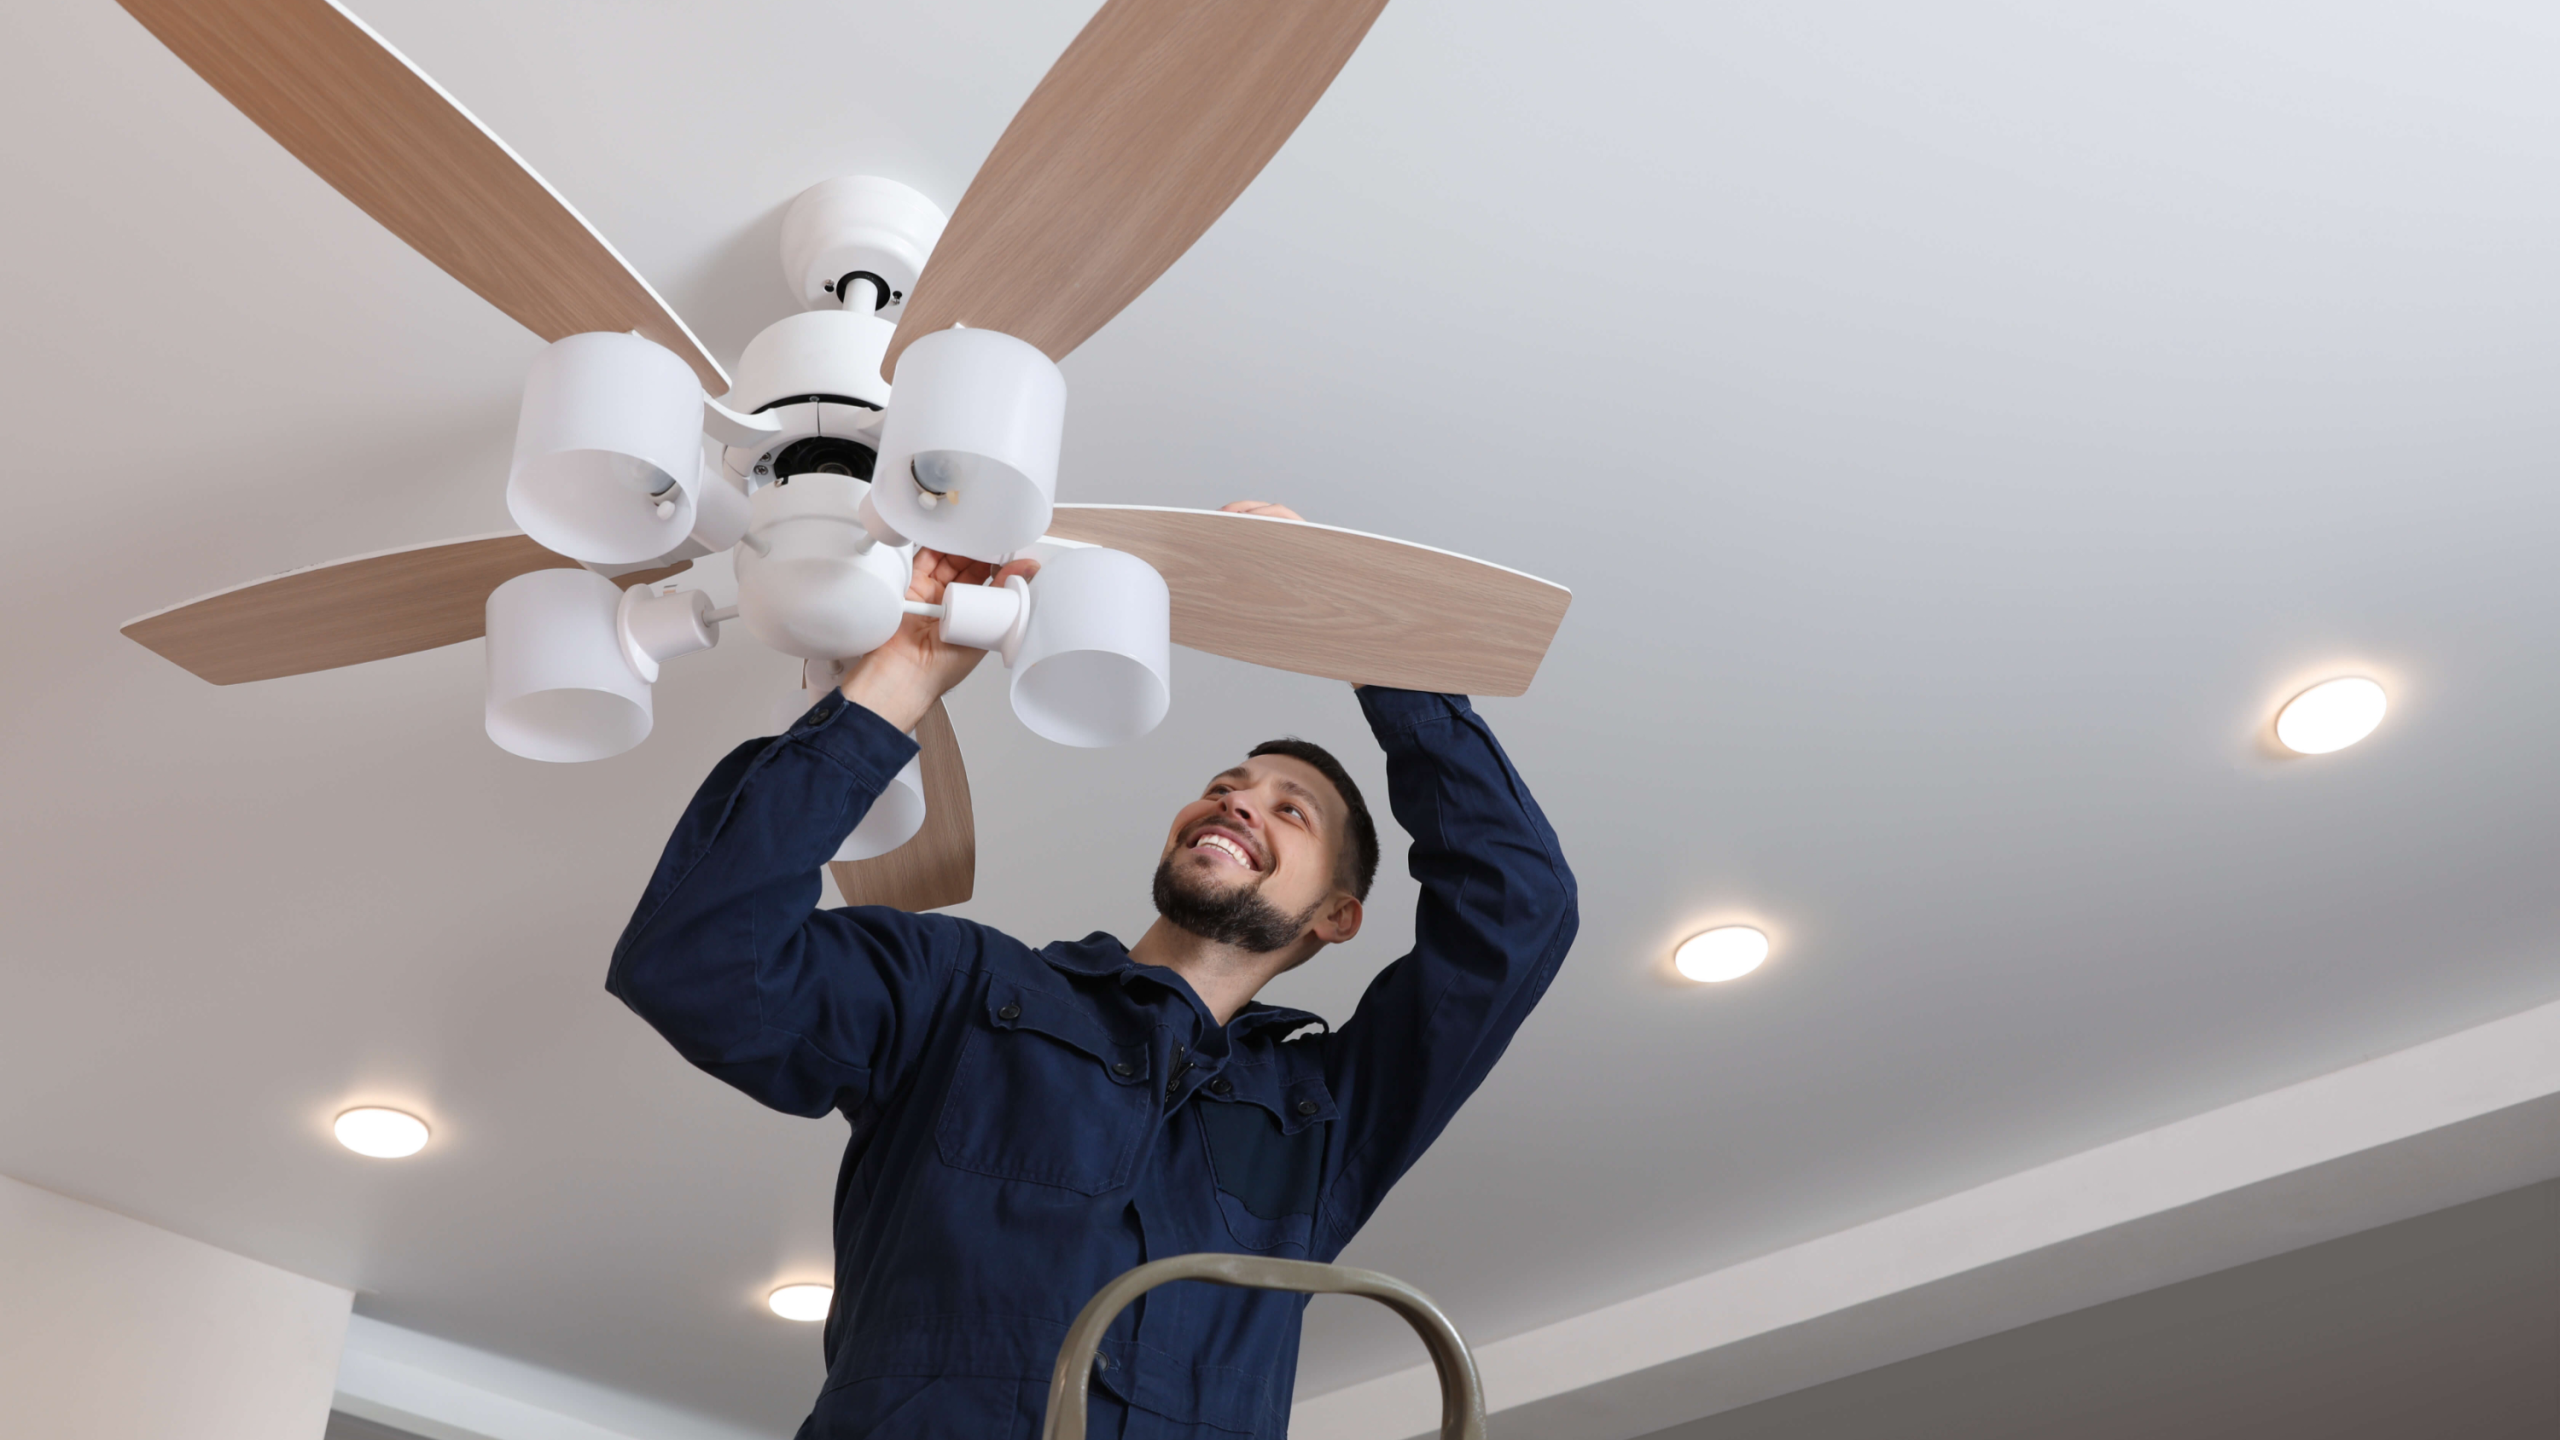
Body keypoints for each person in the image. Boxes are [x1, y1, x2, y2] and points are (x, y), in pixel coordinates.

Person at [609, 501, 1578, 1440]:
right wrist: (895, 685)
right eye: (1224, 787)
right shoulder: (957, 992)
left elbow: (1517, 914)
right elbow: (697, 960)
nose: (1238, 803)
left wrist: (1349, 627)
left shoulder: (1327, 1116)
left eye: (1292, 811)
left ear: (1337, 915)